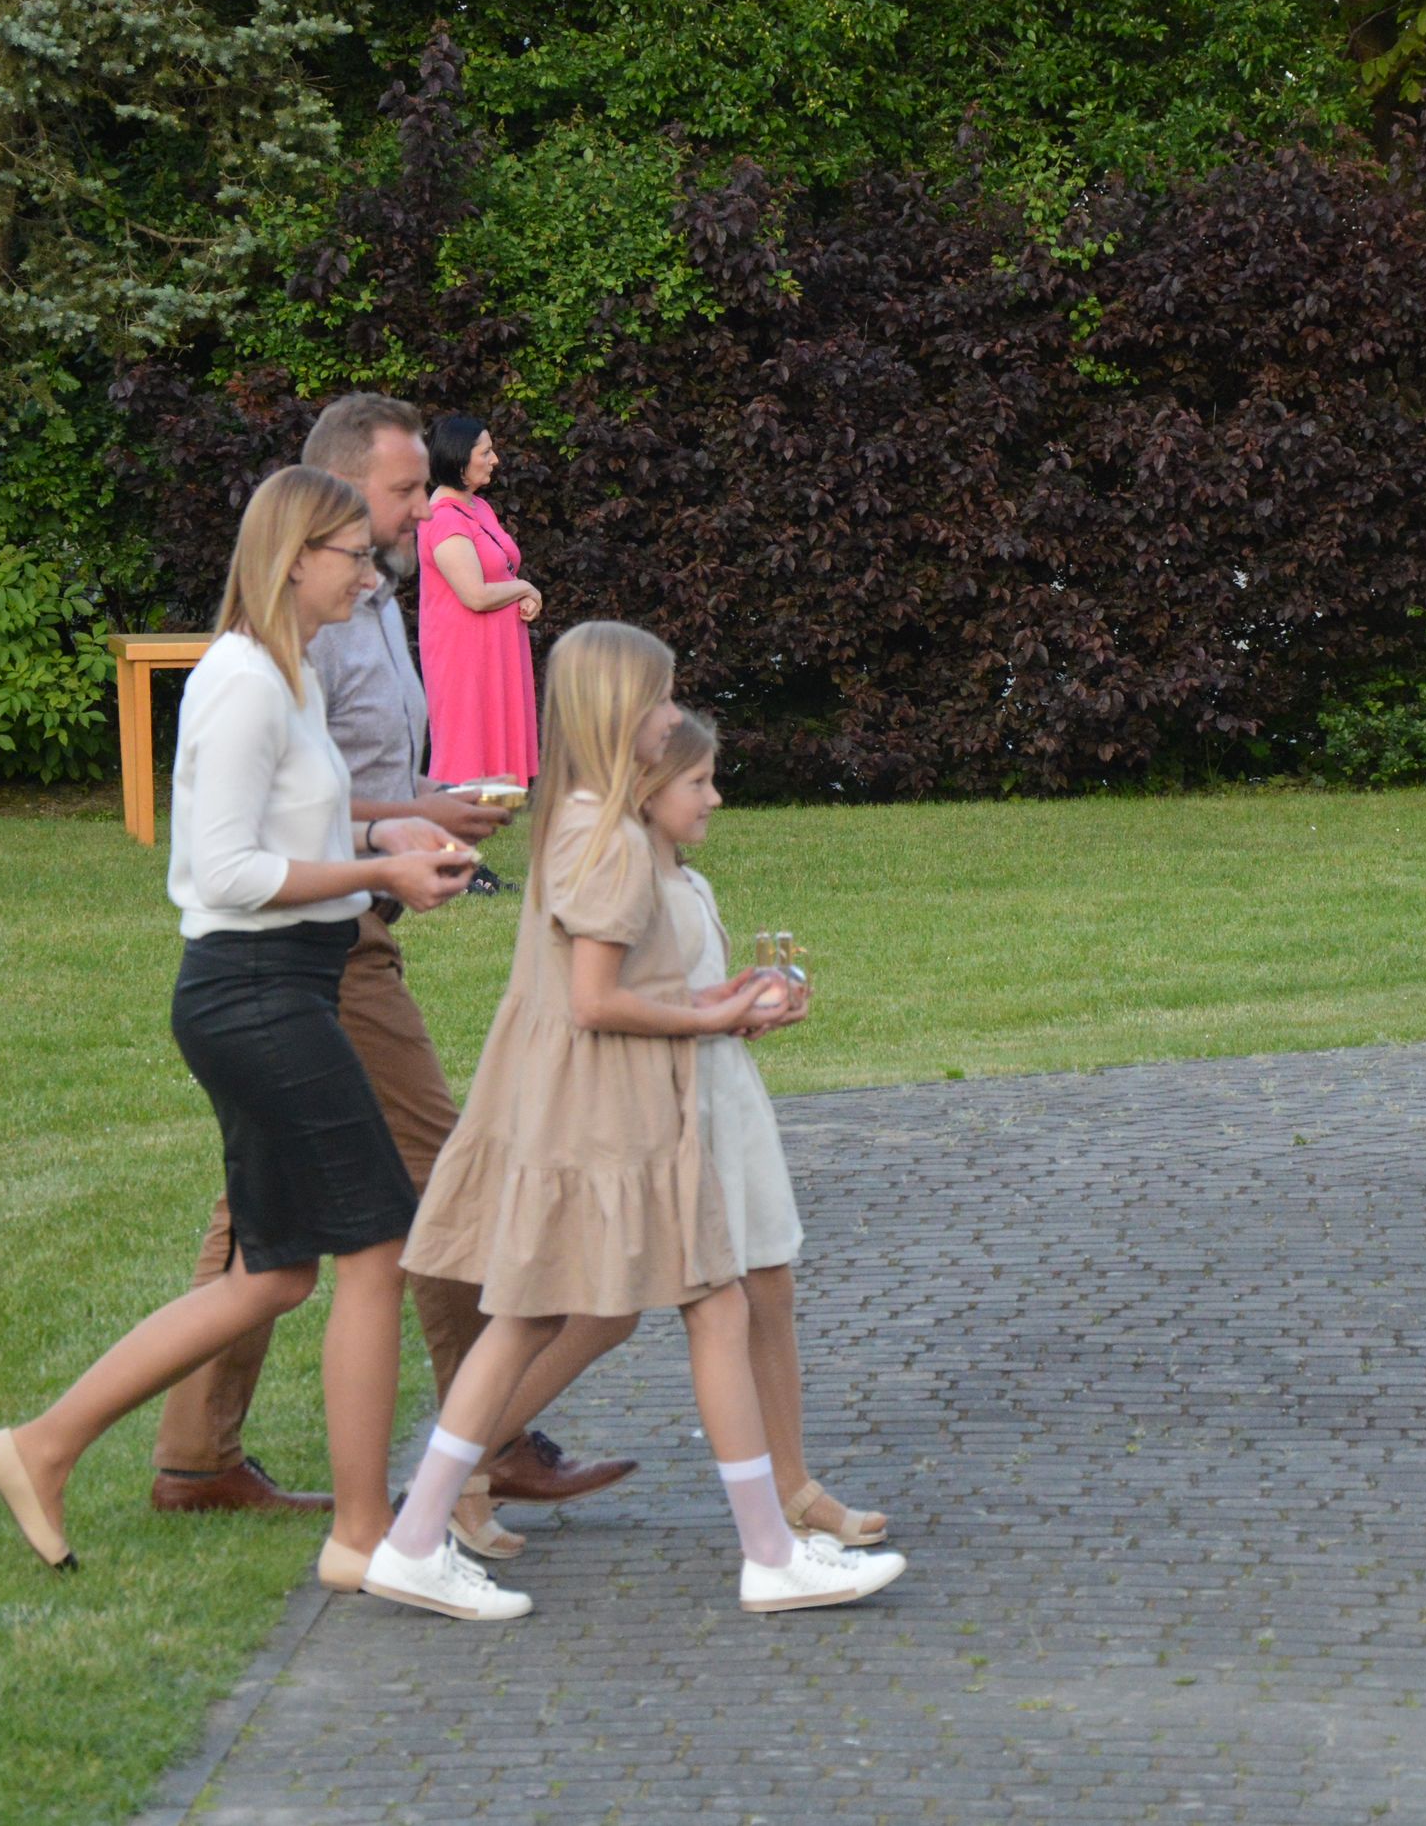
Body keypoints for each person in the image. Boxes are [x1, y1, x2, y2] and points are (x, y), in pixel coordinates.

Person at [0, 467, 476, 1573]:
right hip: (255, 993)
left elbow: (294, 825)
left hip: (278, 988)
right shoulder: (243, 681)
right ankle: (362, 1537)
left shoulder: (286, 676)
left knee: (275, 1273)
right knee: (377, 1245)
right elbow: (228, 870)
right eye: (355, 556)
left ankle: (41, 1446)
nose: (370, 577)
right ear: (294, 558)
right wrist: (372, 870)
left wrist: (385, 840)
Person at [148, 393, 632, 1543]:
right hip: (316, 940)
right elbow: (256, 831)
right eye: (405, 491)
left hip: (339, 921)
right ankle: (488, 1439)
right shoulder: (290, 636)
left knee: (261, 1210)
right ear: (334, 491)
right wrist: (391, 842)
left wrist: (427, 809)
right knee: (440, 1169)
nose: (423, 510)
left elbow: (332, 784)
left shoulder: (360, 602)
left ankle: (192, 1455)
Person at [372, 621, 906, 1620]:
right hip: (612, 1114)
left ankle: (415, 1535)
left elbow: (606, 988)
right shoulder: (611, 838)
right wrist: (708, 1017)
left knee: (535, 1316)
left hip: (572, 1105)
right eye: (660, 698)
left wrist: (711, 999)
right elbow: (596, 1001)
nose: (671, 715)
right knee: (711, 1305)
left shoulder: (576, 821)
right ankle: (770, 1551)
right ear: (621, 710)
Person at [643, 712, 892, 1547]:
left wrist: (747, 1004)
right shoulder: (631, 885)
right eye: (698, 782)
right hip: (679, 1107)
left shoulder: (690, 881)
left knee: (771, 1281)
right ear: (647, 788)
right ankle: (473, 1458)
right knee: (593, 1312)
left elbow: (695, 995)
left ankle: (795, 1485)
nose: (714, 797)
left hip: (730, 1095)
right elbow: (627, 1006)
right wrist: (720, 1010)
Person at [417, 415, 541, 834]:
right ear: (458, 459)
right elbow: (474, 594)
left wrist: (522, 594)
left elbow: (499, 572)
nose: (495, 459)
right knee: (463, 750)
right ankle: (444, 846)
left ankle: (464, 844)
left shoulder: (477, 507)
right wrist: (525, 587)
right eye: (485, 452)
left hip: (495, 647)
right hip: (463, 653)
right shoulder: (444, 519)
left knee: (486, 749)